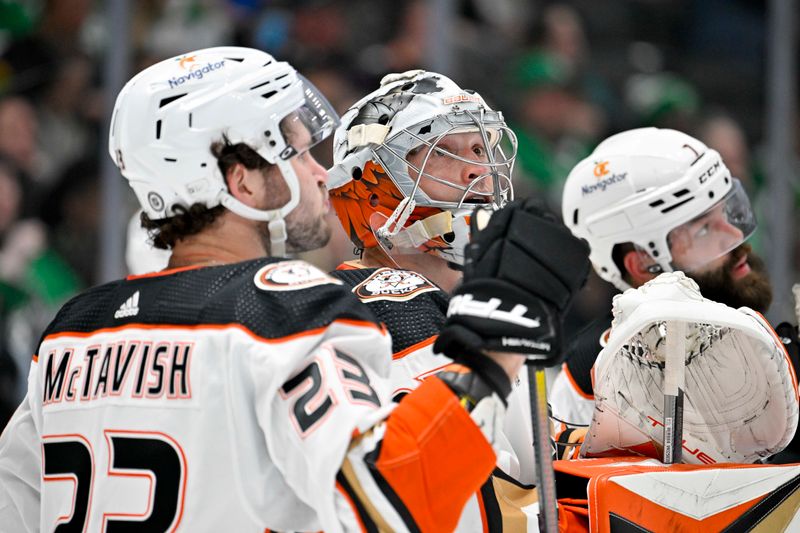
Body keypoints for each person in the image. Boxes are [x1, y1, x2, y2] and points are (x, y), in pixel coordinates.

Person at [0, 47, 589, 532]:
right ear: (242, 183)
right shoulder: (283, 305)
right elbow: (388, 502)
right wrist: (492, 352)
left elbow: (13, 509)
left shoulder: (72, 327)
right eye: (297, 151)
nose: (317, 172)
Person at [327, 69, 592, 529]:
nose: (478, 169)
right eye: (441, 151)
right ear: (372, 191)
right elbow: (493, 506)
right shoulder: (394, 308)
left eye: (478, 148)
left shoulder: (466, 308)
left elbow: (528, 457)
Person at [550, 126, 777, 428]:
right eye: (704, 230)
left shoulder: (757, 342)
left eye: (727, 211)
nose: (735, 235)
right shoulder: (598, 376)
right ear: (644, 265)